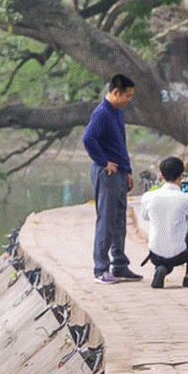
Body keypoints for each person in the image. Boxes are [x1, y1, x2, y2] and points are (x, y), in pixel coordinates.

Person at [83, 74, 143, 284]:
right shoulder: (102, 114)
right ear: (116, 92)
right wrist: (103, 161)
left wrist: (127, 171)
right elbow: (88, 139)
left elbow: (120, 144)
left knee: (119, 220)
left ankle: (119, 264)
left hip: (119, 173)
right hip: (107, 174)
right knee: (106, 221)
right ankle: (101, 268)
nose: (129, 99)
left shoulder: (116, 113)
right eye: (127, 95)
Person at [139, 156, 188, 289]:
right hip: (179, 256)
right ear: (181, 175)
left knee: (165, 249)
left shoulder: (149, 197)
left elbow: (145, 217)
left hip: (155, 255)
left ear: (161, 175)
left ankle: (161, 267)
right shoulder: (187, 199)